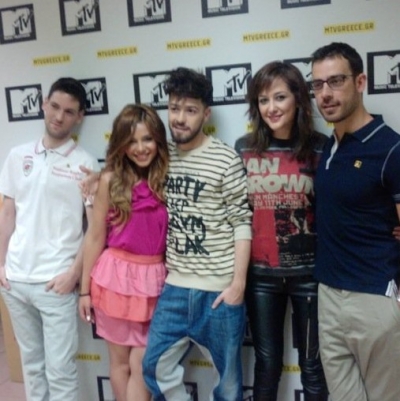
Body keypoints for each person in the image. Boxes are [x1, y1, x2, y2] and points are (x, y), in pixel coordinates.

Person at [141, 67, 253, 400]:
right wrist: (96, 182)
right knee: (154, 368)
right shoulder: (160, 156)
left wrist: (238, 285)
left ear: (205, 114)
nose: (179, 118)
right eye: (174, 108)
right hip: (174, 287)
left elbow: (241, 222)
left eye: (190, 110)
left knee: (228, 385)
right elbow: (124, 175)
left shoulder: (225, 158)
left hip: (219, 290)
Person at [311, 42, 400, 401]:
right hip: (328, 295)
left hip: (374, 298)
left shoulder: (391, 149)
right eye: (318, 84)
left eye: (336, 81)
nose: (326, 93)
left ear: (360, 82)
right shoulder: (328, 147)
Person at [0, 77, 99, 401]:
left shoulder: (85, 163)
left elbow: (94, 229)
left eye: (69, 112)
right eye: (54, 106)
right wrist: (1, 265)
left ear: (79, 117)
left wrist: (73, 274)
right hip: (15, 282)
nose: (59, 116)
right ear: (44, 104)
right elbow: (7, 213)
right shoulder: (17, 155)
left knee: (60, 372)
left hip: (56, 284)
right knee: (32, 367)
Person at [235, 61, 328, 401]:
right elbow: (236, 213)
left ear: (298, 99)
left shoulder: (321, 147)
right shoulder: (244, 148)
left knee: (313, 367)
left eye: (279, 97)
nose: (271, 108)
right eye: (263, 100)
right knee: (267, 364)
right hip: (260, 276)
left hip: (310, 275)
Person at [78, 104, 169, 401]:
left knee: (143, 362)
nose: (140, 148)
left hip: (156, 280)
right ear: (121, 144)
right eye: (131, 141)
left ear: (158, 139)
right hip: (114, 279)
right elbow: (95, 237)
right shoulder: (110, 180)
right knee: (119, 363)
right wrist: (84, 291)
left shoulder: (167, 175)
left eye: (147, 139)